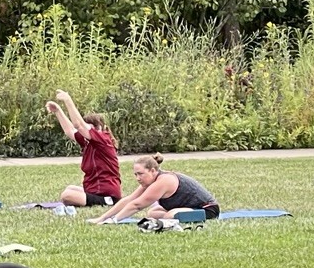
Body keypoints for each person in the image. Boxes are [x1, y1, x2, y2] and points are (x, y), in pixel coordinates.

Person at [46, 90, 121, 208]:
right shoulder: (88, 141)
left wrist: (68, 100)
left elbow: (78, 125)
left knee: (67, 196)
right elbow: (70, 130)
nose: (83, 131)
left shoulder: (102, 139)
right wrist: (58, 111)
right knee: (70, 189)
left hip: (108, 196)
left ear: (98, 127)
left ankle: (97, 201)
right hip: (93, 191)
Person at [91, 155, 219, 224]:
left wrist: (114, 221)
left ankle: (178, 216)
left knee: (170, 216)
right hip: (187, 207)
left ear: (152, 171)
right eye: (135, 174)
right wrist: (102, 218)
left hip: (207, 210)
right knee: (153, 213)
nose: (137, 178)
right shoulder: (152, 180)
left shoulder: (163, 181)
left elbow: (137, 205)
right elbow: (129, 200)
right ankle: (175, 215)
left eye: (140, 174)